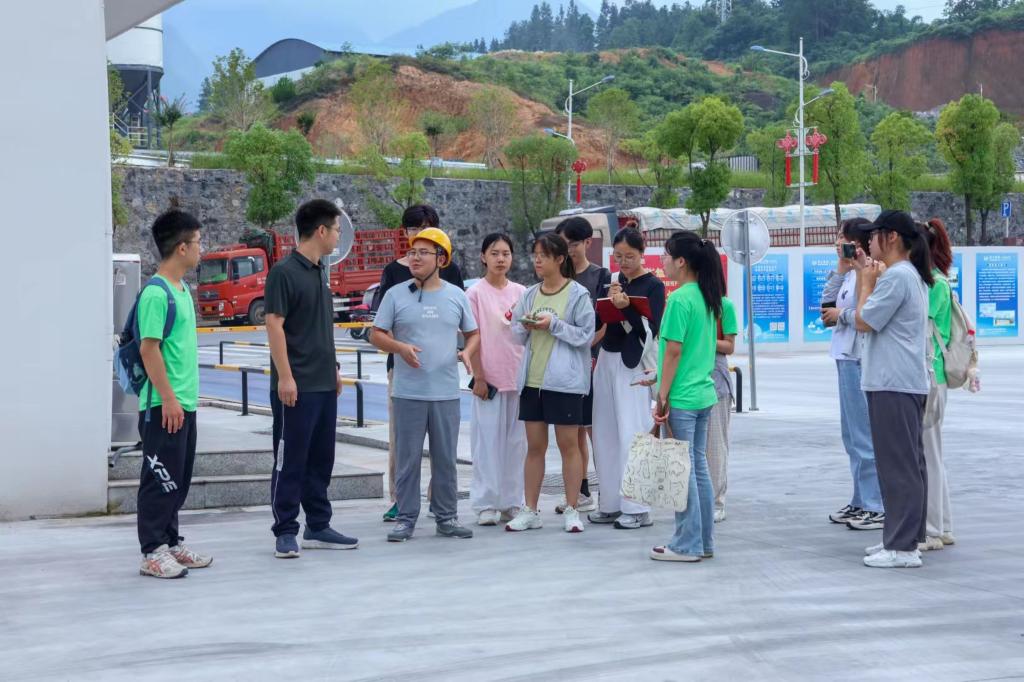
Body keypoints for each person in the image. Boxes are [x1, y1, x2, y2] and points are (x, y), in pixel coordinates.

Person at [370, 227, 480, 542]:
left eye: (423, 253)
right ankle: (405, 519)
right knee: (408, 460)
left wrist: (467, 353)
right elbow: (376, 334)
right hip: (408, 393)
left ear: (441, 259)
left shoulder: (456, 295)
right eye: (412, 252)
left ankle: (447, 518)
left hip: (446, 393)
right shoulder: (395, 294)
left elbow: (473, 333)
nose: (414, 258)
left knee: (446, 460)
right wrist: (400, 348)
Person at [265, 199, 357, 558]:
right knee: (290, 459)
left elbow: (319, 327)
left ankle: (318, 525)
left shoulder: (320, 272)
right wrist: (285, 377)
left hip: (323, 383)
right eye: (336, 230)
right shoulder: (284, 272)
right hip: (296, 386)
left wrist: (333, 369)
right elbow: (274, 325)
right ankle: (285, 529)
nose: (338, 236)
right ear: (320, 230)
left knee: (321, 460)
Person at [852, 209, 933, 569]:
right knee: (908, 463)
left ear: (893, 237)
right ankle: (904, 539)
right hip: (903, 381)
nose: (869, 241)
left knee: (897, 466)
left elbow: (863, 320)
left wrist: (865, 283)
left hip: (892, 383)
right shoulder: (908, 274)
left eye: (874, 235)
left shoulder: (897, 277)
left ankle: (901, 547)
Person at [136, 209, 211, 578]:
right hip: (163, 404)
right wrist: (167, 398)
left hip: (183, 403)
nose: (201, 249)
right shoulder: (156, 293)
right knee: (160, 479)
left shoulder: (181, 290)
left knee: (177, 480)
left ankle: (169, 542)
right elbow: (148, 349)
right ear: (181, 248)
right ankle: (152, 551)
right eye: (198, 242)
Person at [505, 234, 596, 534]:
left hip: (565, 383)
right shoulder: (530, 294)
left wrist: (553, 324)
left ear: (560, 259)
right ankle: (530, 510)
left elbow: (585, 335)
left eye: (543, 256)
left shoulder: (578, 294)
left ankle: (572, 508)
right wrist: (525, 324)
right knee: (535, 447)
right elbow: (516, 334)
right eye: (535, 255)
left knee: (569, 445)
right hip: (532, 381)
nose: (537, 261)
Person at [649, 231, 721, 562]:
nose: (663, 261)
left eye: (666, 255)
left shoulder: (679, 299)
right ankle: (703, 542)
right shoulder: (707, 296)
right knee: (698, 467)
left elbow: (674, 351)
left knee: (683, 470)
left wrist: (662, 396)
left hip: (681, 397)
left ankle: (686, 544)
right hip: (703, 393)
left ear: (681, 262)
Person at [590, 228, 666, 529]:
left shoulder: (653, 285)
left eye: (630, 257)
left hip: (634, 363)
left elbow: (652, 328)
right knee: (605, 432)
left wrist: (627, 308)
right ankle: (610, 502)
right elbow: (600, 319)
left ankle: (637, 507)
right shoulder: (614, 280)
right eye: (619, 256)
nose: (624, 262)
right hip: (607, 359)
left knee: (634, 431)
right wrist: (608, 303)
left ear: (642, 253)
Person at [820, 218, 885, 531]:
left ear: (858, 243)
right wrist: (840, 268)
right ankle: (860, 500)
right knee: (851, 436)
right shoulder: (849, 272)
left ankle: (875, 505)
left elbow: (865, 313)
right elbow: (826, 304)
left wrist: (841, 315)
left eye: (842, 238)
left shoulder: (870, 272)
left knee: (863, 436)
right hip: (844, 356)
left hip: (859, 357)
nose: (837, 243)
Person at [466, 233, 528, 525]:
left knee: (517, 444)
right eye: (494, 253)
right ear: (483, 257)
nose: (500, 259)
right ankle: (486, 503)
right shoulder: (475, 294)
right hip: (489, 381)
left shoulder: (522, 292)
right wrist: (478, 376)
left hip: (518, 377)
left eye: (505, 253)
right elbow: (472, 337)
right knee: (487, 444)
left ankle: (512, 501)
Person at [553, 216, 611, 514]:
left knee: (594, 430)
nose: (568, 249)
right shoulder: (557, 278)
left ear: (588, 242)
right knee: (572, 430)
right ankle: (580, 491)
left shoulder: (601, 276)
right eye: (563, 244)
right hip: (566, 364)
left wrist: (585, 342)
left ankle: (609, 491)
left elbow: (605, 320)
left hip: (593, 362)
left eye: (573, 243)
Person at [921, 217, 955, 551]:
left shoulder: (934, 285)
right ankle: (942, 525)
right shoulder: (939, 281)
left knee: (928, 456)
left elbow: (919, 324)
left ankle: (932, 530)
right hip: (936, 377)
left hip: (931, 376)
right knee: (934, 454)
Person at [706, 261, 737, 524]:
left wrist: (703, 338)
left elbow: (729, 346)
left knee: (715, 445)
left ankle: (717, 501)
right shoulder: (683, 302)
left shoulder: (724, 305)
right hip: (687, 376)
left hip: (715, 377)